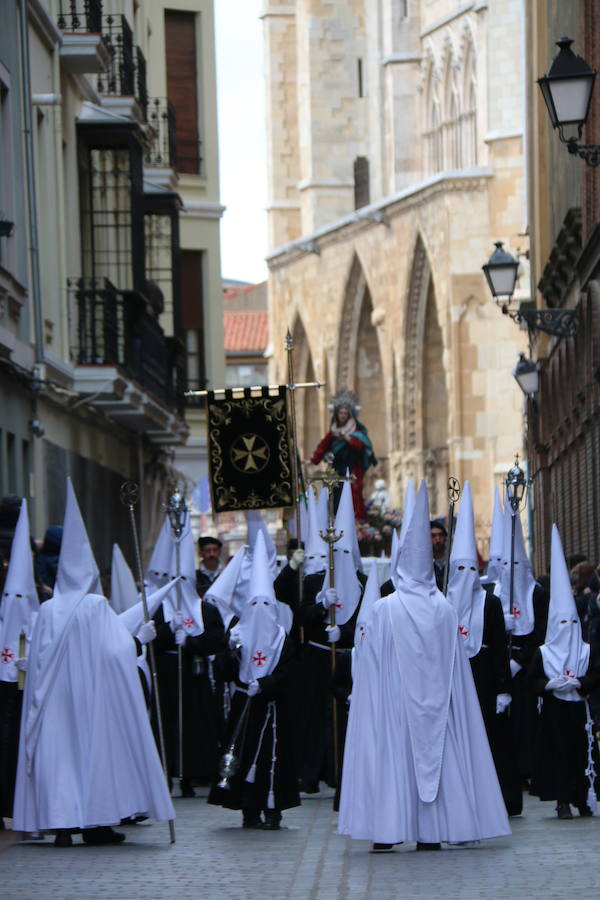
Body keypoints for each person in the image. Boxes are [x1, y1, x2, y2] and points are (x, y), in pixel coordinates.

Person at [338, 481, 510, 851]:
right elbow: (457, 665)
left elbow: (371, 664)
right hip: (438, 707)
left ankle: (389, 829)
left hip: (396, 706)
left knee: (394, 759)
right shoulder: (444, 609)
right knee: (438, 757)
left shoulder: (385, 609)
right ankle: (433, 830)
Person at [12, 480, 174, 846]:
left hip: (55, 704)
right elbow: (114, 653)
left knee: (62, 758)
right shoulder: (96, 607)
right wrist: (139, 639)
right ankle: (95, 823)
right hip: (92, 701)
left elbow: (36, 660)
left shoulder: (49, 609)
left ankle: (62, 825)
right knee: (92, 757)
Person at [208, 531, 300, 829]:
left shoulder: (281, 637)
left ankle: (274, 809)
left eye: (266, 605)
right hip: (244, 706)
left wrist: (268, 684)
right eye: (254, 605)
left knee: (273, 759)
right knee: (243, 755)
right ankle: (248, 808)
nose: (260, 612)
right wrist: (232, 659)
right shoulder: (236, 632)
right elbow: (222, 669)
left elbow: (289, 671)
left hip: (271, 707)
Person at [446, 481, 521, 816]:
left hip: (485, 681)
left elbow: (498, 648)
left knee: (492, 743)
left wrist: (504, 688)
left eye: (470, 570)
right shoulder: (443, 604)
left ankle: (498, 801)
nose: (465, 576)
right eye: (459, 570)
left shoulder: (489, 603)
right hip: (454, 682)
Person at [528, 525, 600, 819]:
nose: (568, 631)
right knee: (557, 755)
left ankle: (582, 798)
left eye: (572, 623)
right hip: (555, 711)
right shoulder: (543, 653)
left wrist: (579, 682)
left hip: (578, 710)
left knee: (581, 754)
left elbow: (596, 674)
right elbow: (532, 681)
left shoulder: (585, 649)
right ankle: (561, 800)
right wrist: (550, 684)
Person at [310, 390, 376, 520]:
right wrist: (313, 460)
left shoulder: (354, 430)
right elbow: (323, 446)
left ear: (349, 414)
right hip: (336, 469)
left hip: (352, 468)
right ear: (336, 413)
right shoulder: (334, 431)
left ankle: (356, 521)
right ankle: (337, 520)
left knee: (353, 494)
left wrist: (347, 438)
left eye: (345, 413)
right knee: (336, 494)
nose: (343, 416)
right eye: (341, 413)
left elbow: (361, 445)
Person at [430, 519, 447, 591]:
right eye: (433, 536)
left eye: (440, 535)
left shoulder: (451, 563)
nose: (438, 539)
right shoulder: (425, 565)